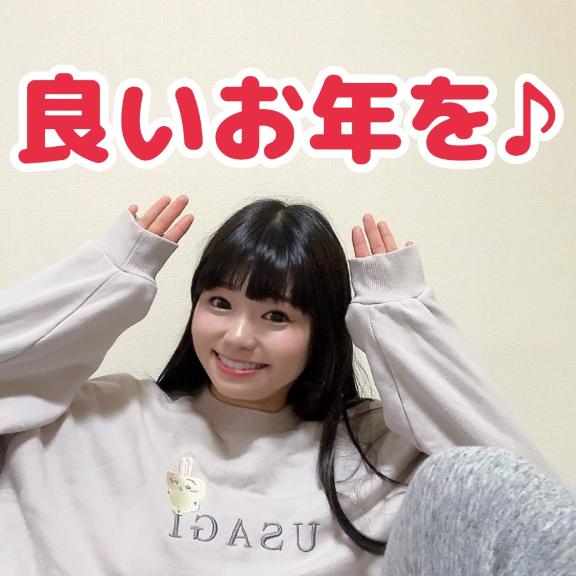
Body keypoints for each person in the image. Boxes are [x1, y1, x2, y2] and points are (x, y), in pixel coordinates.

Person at [0, 195, 574, 575]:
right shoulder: (100, 417)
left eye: (276, 316)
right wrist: (109, 279)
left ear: (321, 330)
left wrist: (399, 322)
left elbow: (529, 513)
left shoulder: (373, 451)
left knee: (473, 477)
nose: (237, 337)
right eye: (218, 303)